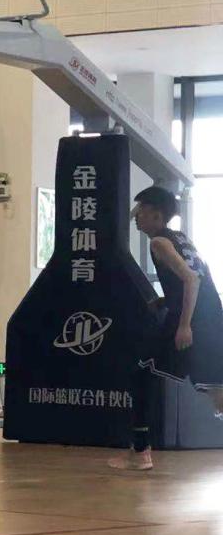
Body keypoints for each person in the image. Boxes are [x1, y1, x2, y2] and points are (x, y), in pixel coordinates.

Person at [109, 186, 223, 471]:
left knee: (141, 375)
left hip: (191, 320)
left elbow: (191, 280)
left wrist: (184, 325)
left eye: (141, 211)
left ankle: (140, 453)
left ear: (156, 214)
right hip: (211, 317)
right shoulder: (180, 238)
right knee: (215, 392)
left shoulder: (159, 242)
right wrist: (166, 299)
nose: (136, 217)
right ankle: (140, 451)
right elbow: (197, 277)